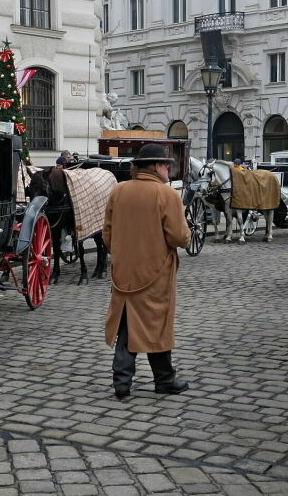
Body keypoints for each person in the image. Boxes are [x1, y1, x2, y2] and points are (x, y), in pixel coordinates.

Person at [102, 143, 191, 398]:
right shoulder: (167, 194)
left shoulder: (119, 191)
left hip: (124, 271)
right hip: (156, 272)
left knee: (126, 324)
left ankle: (122, 381)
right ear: (154, 166)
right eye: (166, 165)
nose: (168, 169)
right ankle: (164, 380)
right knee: (156, 325)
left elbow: (107, 235)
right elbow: (178, 237)